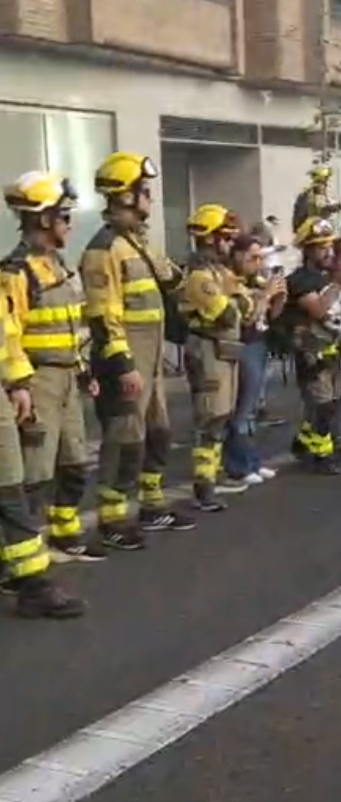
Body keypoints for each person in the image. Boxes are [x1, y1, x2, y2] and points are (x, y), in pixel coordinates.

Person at [81, 152, 193, 551]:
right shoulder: (104, 249)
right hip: (127, 357)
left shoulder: (137, 243)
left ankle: (151, 502)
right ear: (125, 196)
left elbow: (171, 279)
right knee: (125, 436)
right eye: (143, 190)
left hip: (152, 355)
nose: (148, 197)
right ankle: (112, 517)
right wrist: (123, 365)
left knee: (158, 431)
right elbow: (102, 314)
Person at [0, 172, 104, 561]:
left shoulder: (61, 266)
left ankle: (65, 529)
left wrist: (84, 369)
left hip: (66, 378)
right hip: (38, 379)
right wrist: (19, 385)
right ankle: (19, 554)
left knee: (75, 461)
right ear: (44, 219)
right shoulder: (16, 273)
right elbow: (8, 335)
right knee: (35, 472)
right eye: (64, 216)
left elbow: (72, 325)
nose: (70, 223)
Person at [180, 204, 251, 511]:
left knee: (222, 417)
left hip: (225, 350)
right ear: (209, 239)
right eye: (224, 237)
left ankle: (211, 476)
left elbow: (246, 306)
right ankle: (203, 485)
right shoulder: (198, 276)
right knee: (210, 417)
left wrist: (239, 299)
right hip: (208, 350)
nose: (229, 243)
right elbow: (228, 312)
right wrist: (237, 299)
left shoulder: (218, 272)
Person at [287, 217, 341, 475]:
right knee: (323, 405)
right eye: (320, 247)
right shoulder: (301, 279)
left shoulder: (328, 275)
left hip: (334, 349)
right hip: (312, 352)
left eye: (329, 246)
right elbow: (317, 309)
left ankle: (303, 443)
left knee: (330, 404)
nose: (327, 251)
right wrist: (338, 283)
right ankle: (321, 455)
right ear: (307, 250)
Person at [223, 234, 286, 484]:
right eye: (252, 257)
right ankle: (238, 466)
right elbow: (248, 315)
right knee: (240, 409)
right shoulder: (231, 281)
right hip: (243, 344)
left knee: (252, 409)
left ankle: (252, 461)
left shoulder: (255, 279)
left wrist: (278, 296)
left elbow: (270, 315)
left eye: (260, 258)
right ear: (236, 255)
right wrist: (266, 295)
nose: (257, 263)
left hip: (260, 342)